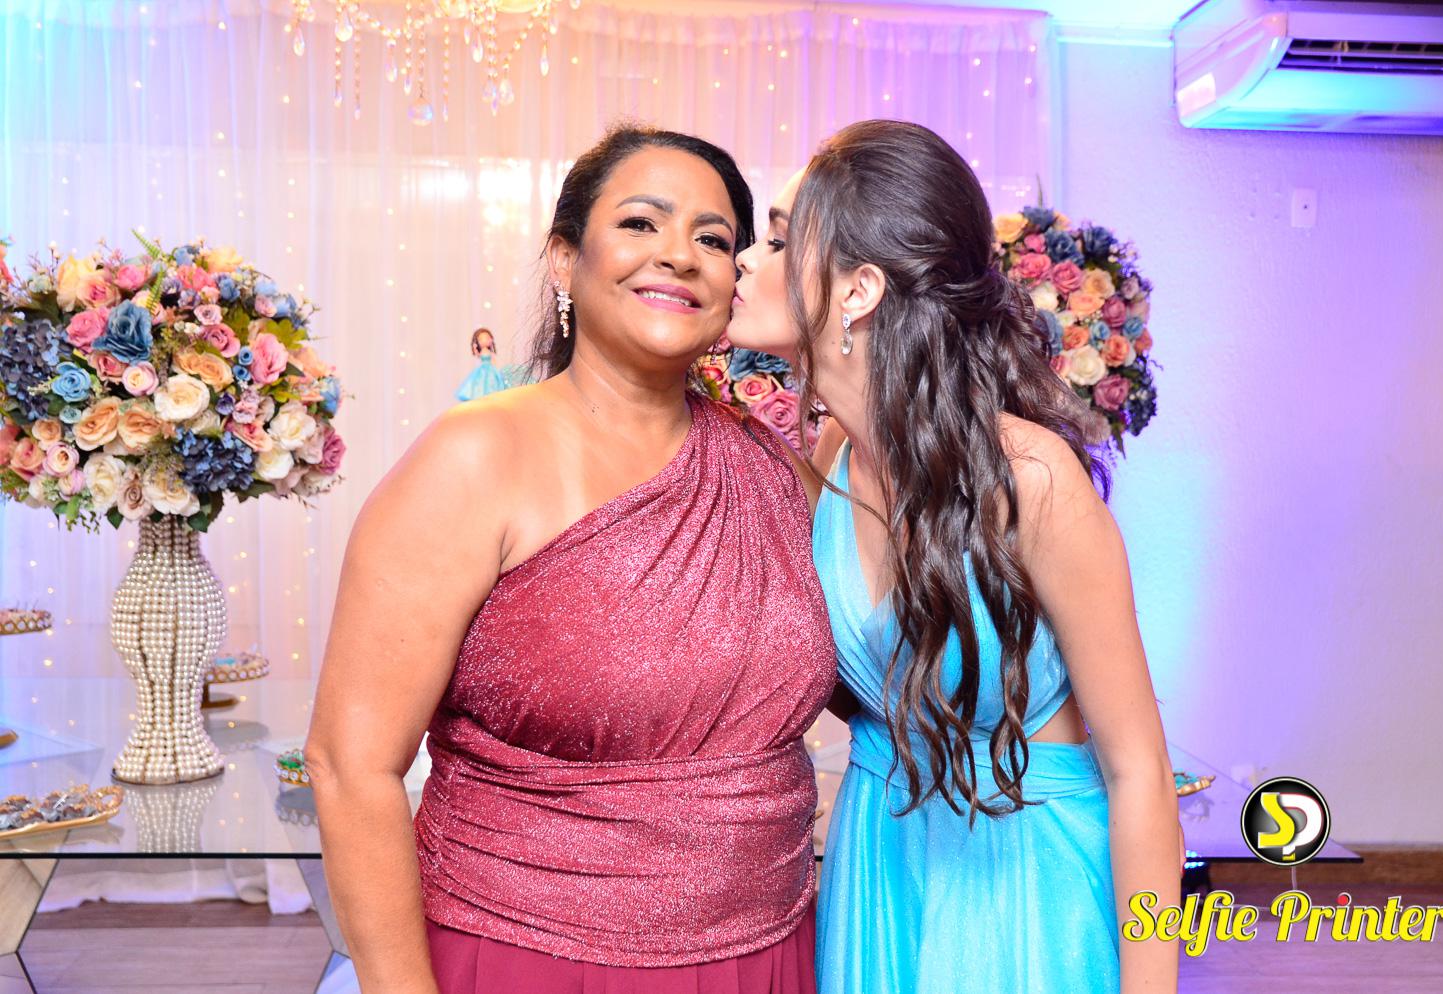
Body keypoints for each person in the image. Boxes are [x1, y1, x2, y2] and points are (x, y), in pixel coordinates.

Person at [306, 125, 836, 994]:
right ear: (564, 261)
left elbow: (886, 675)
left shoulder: (777, 470)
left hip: (770, 955)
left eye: (712, 239)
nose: (680, 255)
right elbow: (349, 765)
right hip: (529, 958)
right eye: (640, 224)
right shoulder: (474, 457)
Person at [727, 119, 1182, 993]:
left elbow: (1141, 773)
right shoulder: (831, 458)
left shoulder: (1029, 479)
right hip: (880, 862)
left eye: (779, 240)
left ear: (859, 289)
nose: (746, 259)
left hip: (1023, 885)